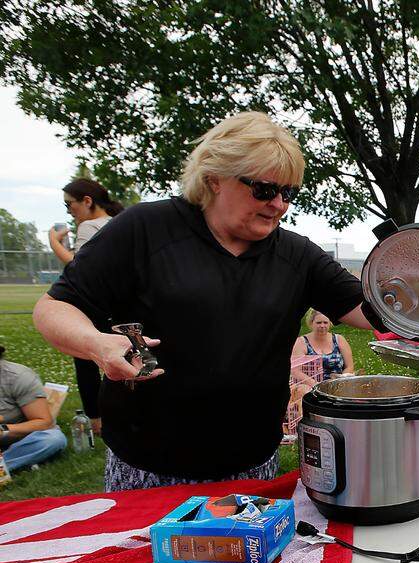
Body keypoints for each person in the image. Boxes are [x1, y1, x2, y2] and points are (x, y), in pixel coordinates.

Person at [33, 112, 374, 492]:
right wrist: (95, 344)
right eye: (263, 189)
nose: (279, 204)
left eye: (288, 192)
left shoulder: (296, 254)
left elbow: (369, 308)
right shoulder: (145, 229)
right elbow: (54, 309)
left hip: (253, 464)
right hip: (147, 468)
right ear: (214, 178)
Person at [47, 178, 125, 437]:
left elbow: (79, 267)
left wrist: (54, 243)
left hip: (95, 305)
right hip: (122, 304)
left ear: (87, 201)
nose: (69, 210)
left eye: (69, 204)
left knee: (86, 360)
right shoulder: (121, 221)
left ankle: (97, 421)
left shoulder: (89, 226)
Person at [0, 345, 67, 473]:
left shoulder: (18, 376)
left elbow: (43, 422)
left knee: (53, 439)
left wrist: (3, 430)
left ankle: (5, 464)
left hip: (17, 439)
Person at [292, 310, 355, 379]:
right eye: (318, 323)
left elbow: (349, 366)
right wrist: (315, 385)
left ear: (330, 323)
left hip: (336, 383)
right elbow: (296, 371)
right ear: (311, 323)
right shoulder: (301, 342)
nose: (322, 326)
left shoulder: (339, 339)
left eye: (325, 322)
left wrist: (341, 380)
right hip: (309, 385)